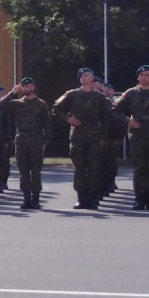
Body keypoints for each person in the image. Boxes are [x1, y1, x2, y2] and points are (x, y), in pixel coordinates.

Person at [113, 65, 149, 210]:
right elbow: (114, 110)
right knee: (139, 168)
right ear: (138, 77)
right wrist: (128, 121)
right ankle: (139, 199)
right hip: (137, 135)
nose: (145, 77)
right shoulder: (131, 93)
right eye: (142, 75)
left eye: (148, 75)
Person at [52, 68, 110, 209]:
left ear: (92, 78)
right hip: (77, 136)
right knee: (79, 168)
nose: (83, 77)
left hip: (94, 136)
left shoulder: (99, 97)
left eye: (86, 75)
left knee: (94, 168)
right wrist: (68, 118)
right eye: (81, 76)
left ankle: (92, 198)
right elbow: (56, 108)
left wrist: (103, 136)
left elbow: (105, 118)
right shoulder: (71, 95)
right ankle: (80, 198)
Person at [0, 78, 51, 209]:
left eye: (28, 86)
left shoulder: (41, 104)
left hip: (36, 139)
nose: (25, 88)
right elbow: (0, 105)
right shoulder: (17, 103)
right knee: (23, 171)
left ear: (33, 87)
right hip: (21, 139)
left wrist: (46, 141)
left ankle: (36, 199)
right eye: (23, 86)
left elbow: (47, 124)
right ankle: (26, 199)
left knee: (36, 170)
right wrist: (12, 92)